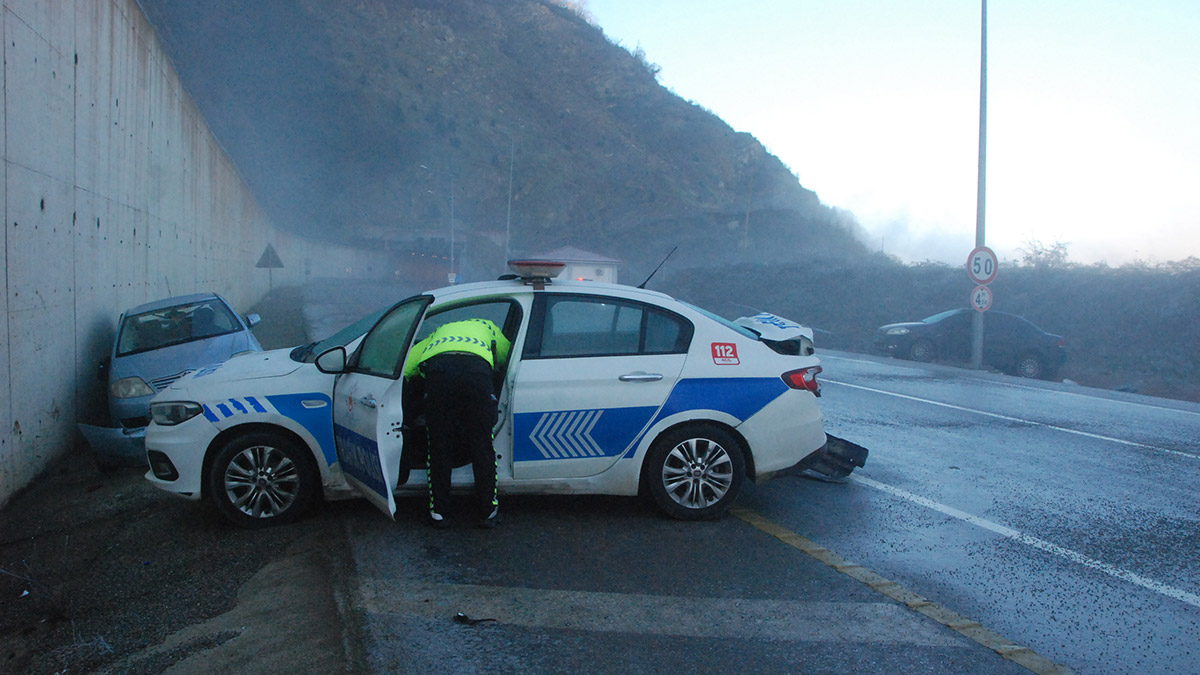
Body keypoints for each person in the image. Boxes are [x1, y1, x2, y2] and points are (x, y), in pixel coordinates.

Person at [403, 318, 511, 529]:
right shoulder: (489, 326)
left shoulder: (437, 333)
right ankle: (489, 512)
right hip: (476, 373)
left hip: (440, 374)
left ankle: (439, 513)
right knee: (482, 445)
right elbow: (508, 355)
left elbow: (407, 368)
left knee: (439, 445)